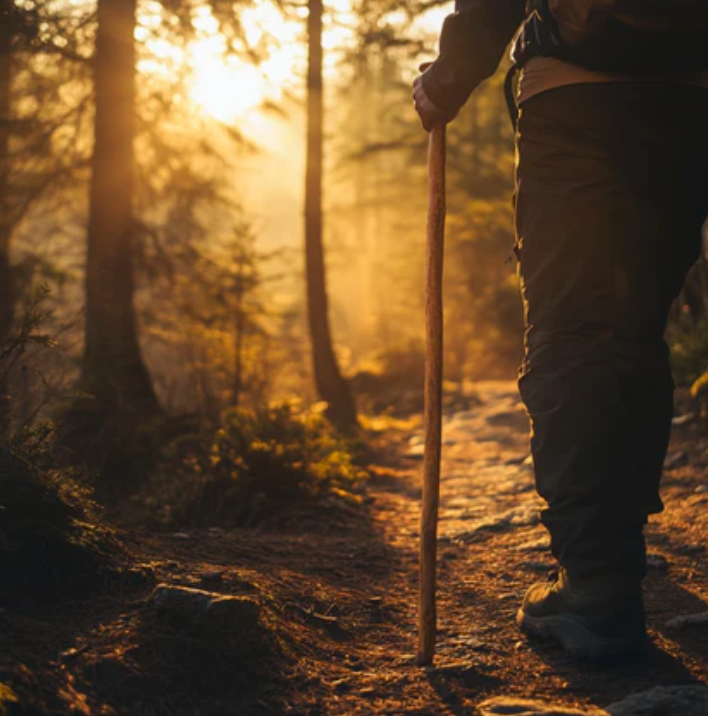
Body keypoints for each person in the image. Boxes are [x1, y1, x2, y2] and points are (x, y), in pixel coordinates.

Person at [413, 0, 708, 659]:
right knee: (634, 333)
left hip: (575, 97)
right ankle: (613, 561)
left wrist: (449, 77)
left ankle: (597, 586)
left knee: (571, 334)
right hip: (689, 100)